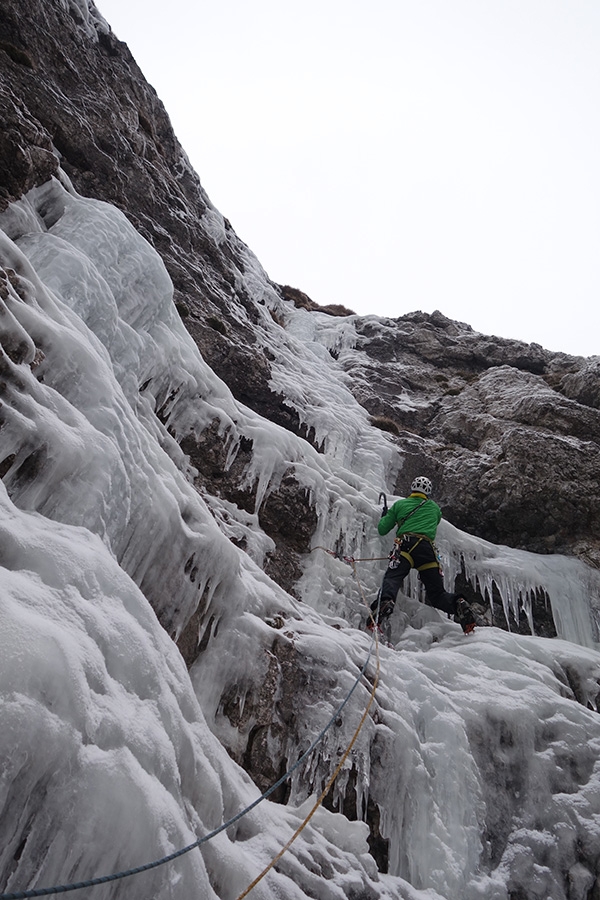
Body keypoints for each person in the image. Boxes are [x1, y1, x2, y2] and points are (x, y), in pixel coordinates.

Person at [369, 476, 476, 634]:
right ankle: (458, 603)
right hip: (428, 551)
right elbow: (434, 521)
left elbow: (383, 529)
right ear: (428, 492)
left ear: (412, 489)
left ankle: (385, 603)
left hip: (405, 547)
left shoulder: (400, 505)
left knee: (393, 578)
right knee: (437, 594)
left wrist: (386, 516)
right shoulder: (434, 508)